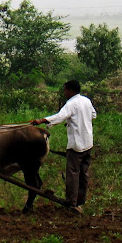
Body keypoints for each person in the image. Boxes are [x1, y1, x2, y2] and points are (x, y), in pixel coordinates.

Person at [31, 80, 96, 214]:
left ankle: (71, 203)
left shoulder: (71, 104)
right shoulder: (86, 101)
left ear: (71, 90)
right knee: (84, 173)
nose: (65, 93)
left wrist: (42, 120)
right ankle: (80, 201)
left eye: (65, 90)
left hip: (76, 145)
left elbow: (60, 117)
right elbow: (93, 115)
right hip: (88, 143)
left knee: (73, 173)